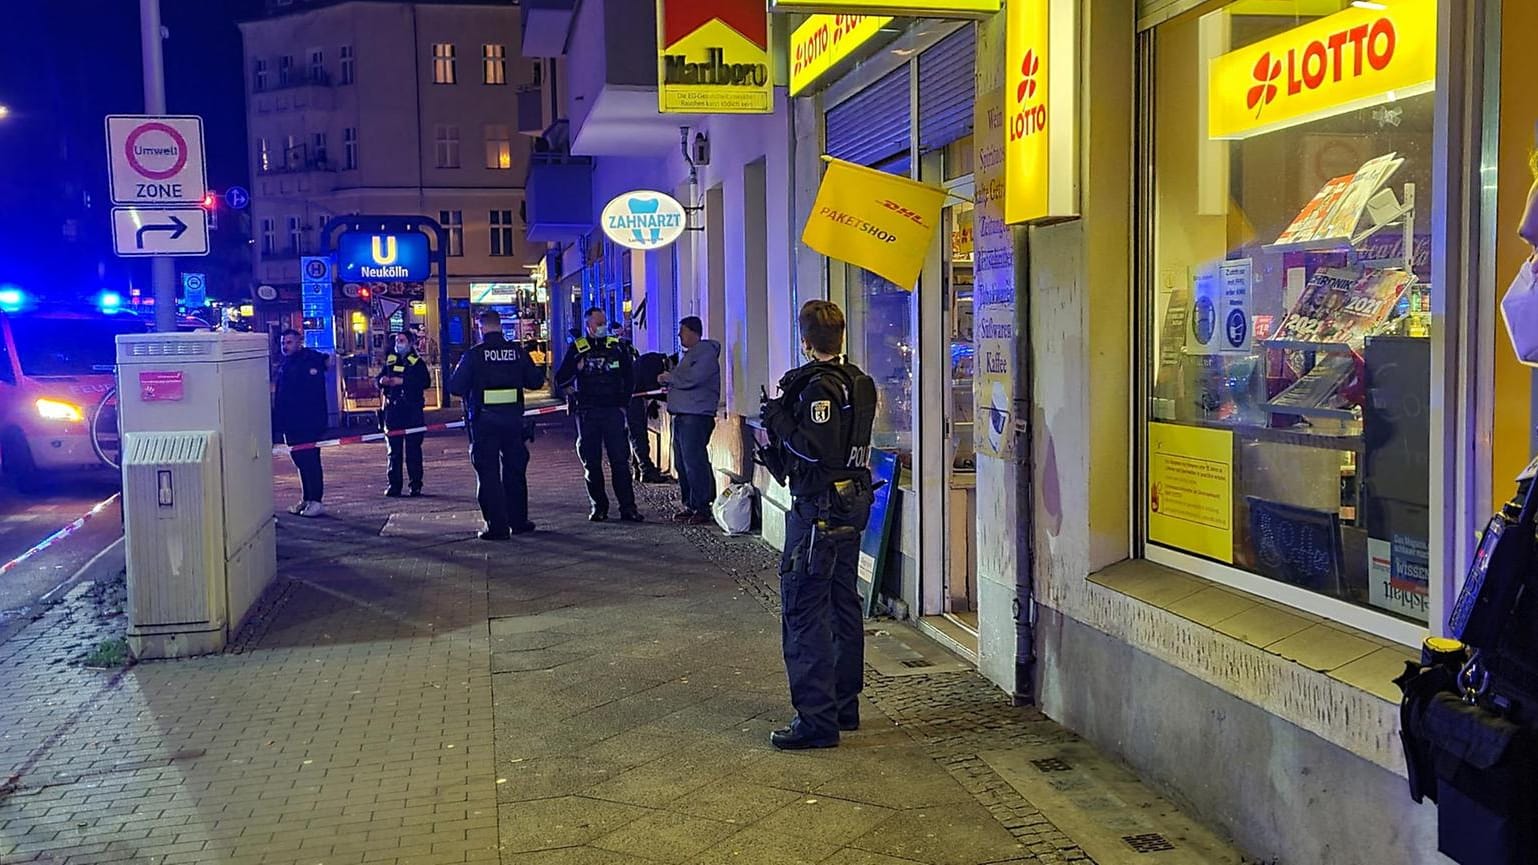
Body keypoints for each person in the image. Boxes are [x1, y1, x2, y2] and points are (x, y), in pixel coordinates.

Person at [759, 300, 877, 750]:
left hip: (819, 510)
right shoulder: (858, 382)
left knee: (804, 609)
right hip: (851, 504)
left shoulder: (818, 389)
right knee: (842, 603)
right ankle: (844, 707)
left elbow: (816, 450)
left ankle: (816, 720)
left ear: (805, 340)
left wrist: (779, 420)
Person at [448, 310, 547, 540]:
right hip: (514, 422)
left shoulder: (474, 355)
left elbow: (455, 387)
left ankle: (497, 526)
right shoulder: (516, 352)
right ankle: (518, 521)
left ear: (481, 327)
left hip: (485, 424)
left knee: (488, 474)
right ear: (500, 326)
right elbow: (535, 381)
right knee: (515, 471)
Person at [554, 307, 644, 523]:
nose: (602, 326)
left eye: (604, 322)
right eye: (598, 323)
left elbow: (630, 378)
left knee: (620, 461)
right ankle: (599, 507)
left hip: (613, 411)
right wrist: (577, 368)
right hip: (588, 413)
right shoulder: (578, 348)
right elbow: (561, 379)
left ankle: (628, 508)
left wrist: (623, 403)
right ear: (588, 326)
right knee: (592, 463)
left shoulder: (617, 347)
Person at [659, 316, 720, 524]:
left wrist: (670, 377)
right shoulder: (689, 355)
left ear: (694, 332)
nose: (679, 335)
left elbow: (694, 379)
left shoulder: (705, 354)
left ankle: (702, 505)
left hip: (696, 415)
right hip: (683, 414)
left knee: (694, 461)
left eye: (682, 331)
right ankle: (691, 503)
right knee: (682, 462)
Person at [273, 329, 330, 518]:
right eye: (283, 343)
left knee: (311, 460)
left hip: (308, 422)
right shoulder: (285, 363)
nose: (285, 346)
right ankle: (306, 498)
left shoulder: (309, 361)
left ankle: (316, 500)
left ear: (299, 342)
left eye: (289, 342)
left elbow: (310, 392)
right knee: (300, 461)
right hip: (291, 422)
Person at [377, 332, 431, 497]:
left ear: (410, 343)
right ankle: (394, 485)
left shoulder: (416, 362)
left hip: (411, 410)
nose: (398, 343)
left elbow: (425, 382)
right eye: (396, 340)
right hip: (393, 411)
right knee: (394, 451)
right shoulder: (391, 360)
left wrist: (403, 382)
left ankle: (415, 485)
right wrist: (381, 381)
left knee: (413, 450)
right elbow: (380, 377)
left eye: (402, 341)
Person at [629, 347, 671, 484]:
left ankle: (638, 468)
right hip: (632, 399)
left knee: (635, 436)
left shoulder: (652, 360)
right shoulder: (654, 363)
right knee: (638, 435)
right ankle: (646, 470)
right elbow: (653, 388)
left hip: (633, 396)